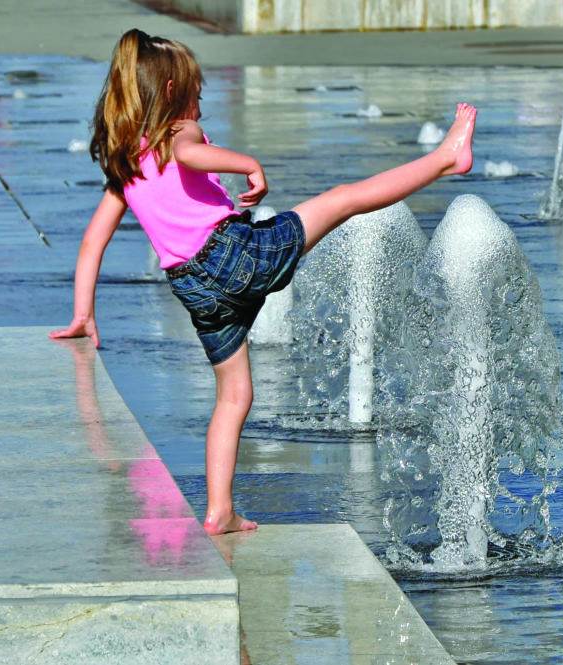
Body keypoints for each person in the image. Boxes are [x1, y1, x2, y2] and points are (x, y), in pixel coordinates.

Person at [49, 28, 477, 535]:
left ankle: (219, 511)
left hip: (192, 286)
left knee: (233, 397)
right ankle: (447, 158)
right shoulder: (175, 134)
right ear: (170, 94)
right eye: (196, 91)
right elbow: (191, 154)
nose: (201, 102)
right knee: (343, 199)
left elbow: (92, 242)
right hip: (235, 257)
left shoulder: (127, 163)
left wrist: (83, 313)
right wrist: (246, 163)